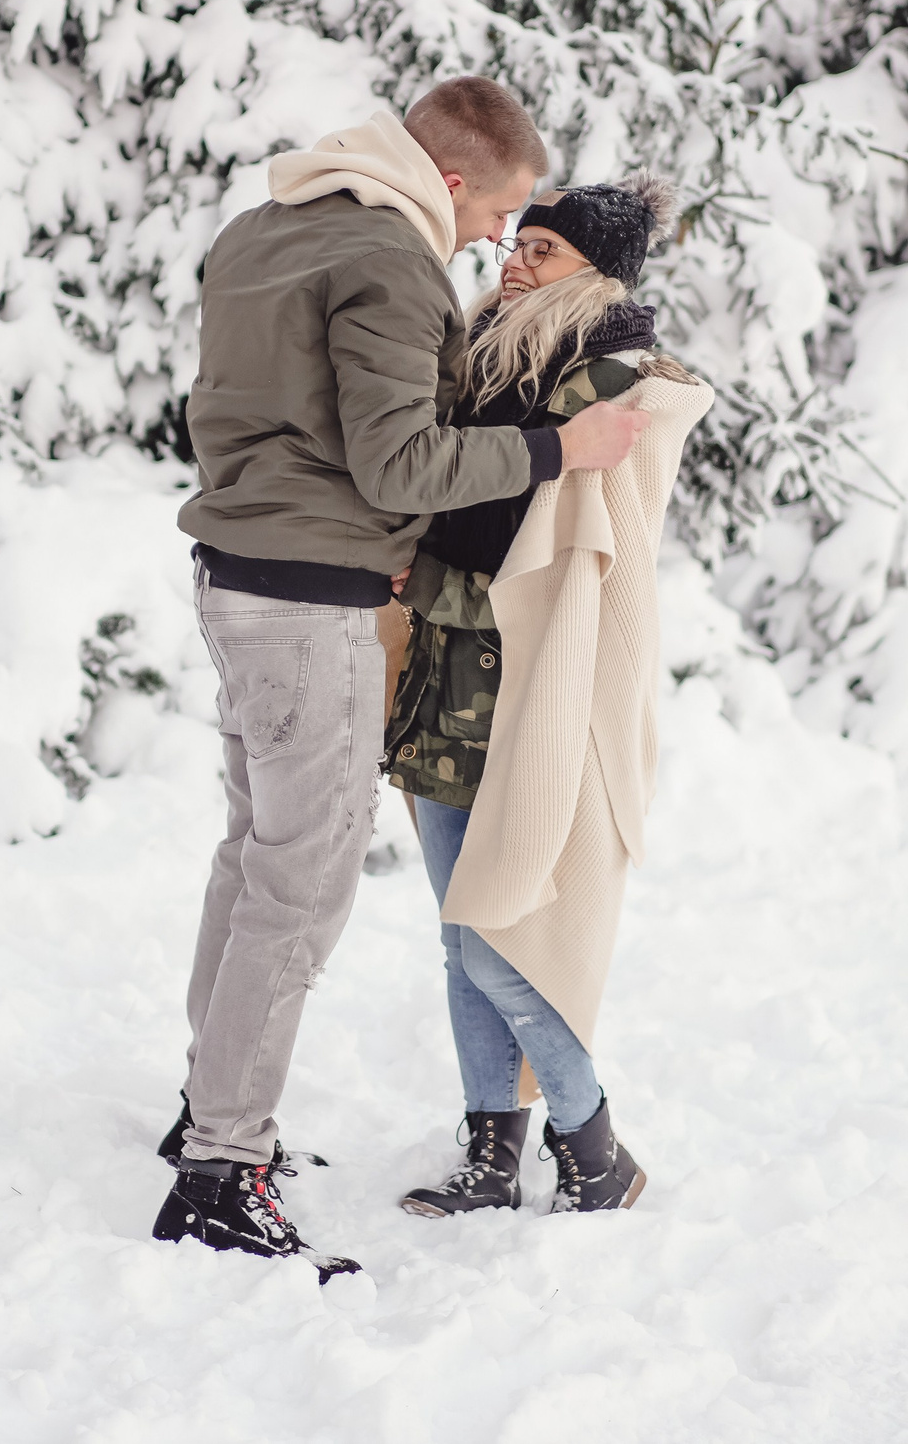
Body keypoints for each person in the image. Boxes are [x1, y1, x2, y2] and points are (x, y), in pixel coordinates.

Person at [151, 79, 651, 1274]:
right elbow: (398, 460)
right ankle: (223, 1171)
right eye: (503, 215)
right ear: (457, 178)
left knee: (251, 859)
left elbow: (238, 411)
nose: (492, 246)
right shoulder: (389, 255)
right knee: (300, 888)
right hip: (306, 600)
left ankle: (205, 1117)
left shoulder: (263, 228)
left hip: (237, 577)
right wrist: (556, 448)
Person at [384, 176, 712, 1219]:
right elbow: (438, 491)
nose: (513, 261)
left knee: (495, 926)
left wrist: (432, 517)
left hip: (535, 683)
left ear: (598, 274)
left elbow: (492, 532)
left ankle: (590, 1140)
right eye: (514, 243)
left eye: (543, 251)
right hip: (448, 670)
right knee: (457, 928)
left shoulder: (615, 374)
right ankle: (492, 1151)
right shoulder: (483, 362)